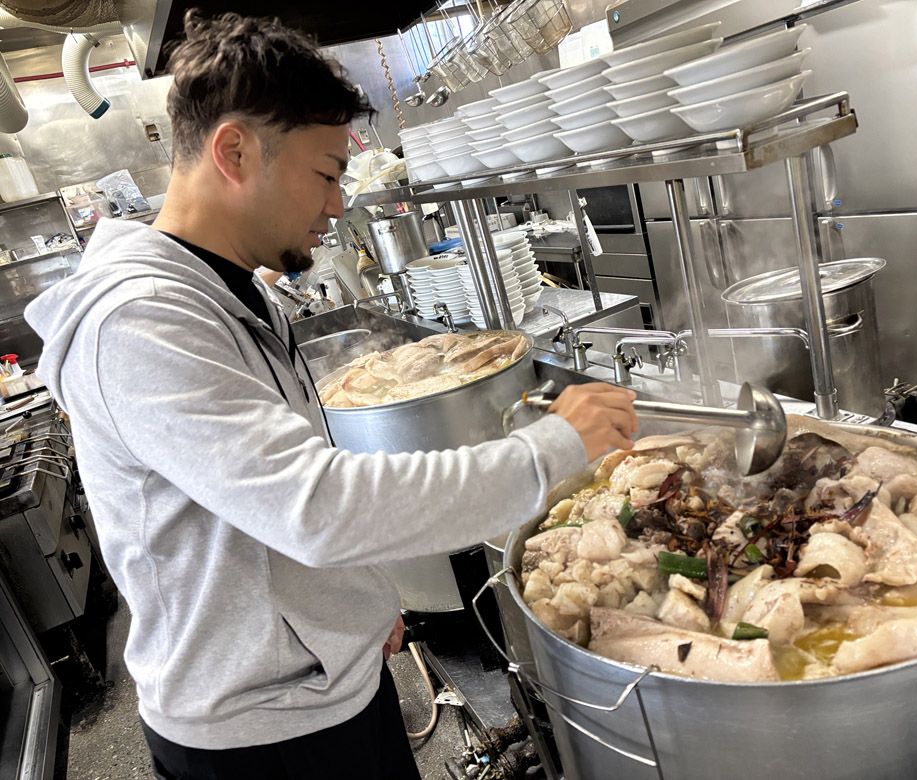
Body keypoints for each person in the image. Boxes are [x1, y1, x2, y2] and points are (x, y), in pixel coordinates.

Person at [25, 11, 638, 780]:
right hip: (260, 735)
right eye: (326, 173)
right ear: (235, 151)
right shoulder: (139, 323)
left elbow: (269, 489)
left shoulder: (234, 291)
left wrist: (354, 603)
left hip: (323, 686)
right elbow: (316, 507)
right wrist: (554, 449)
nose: (338, 204)